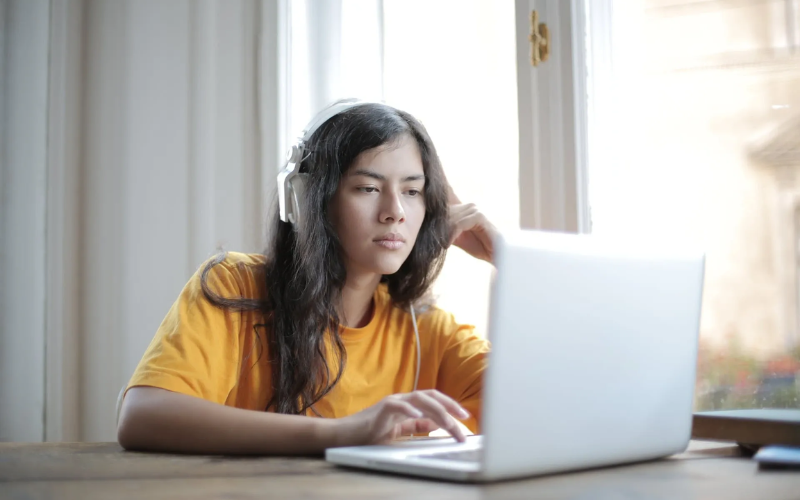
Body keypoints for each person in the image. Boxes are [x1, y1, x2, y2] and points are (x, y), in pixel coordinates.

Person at [117, 101, 497, 455]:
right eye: (368, 188)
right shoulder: (234, 285)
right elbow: (143, 415)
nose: (395, 211)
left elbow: (546, 407)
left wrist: (504, 257)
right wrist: (342, 434)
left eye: (412, 191)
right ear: (306, 199)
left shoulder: (427, 329)